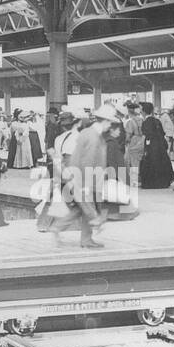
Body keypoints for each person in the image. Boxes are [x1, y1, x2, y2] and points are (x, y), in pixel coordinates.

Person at [69, 103, 114, 248]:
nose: (110, 126)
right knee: (90, 210)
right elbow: (87, 160)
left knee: (86, 208)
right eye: (110, 122)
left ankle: (86, 239)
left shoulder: (87, 132)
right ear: (105, 121)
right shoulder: (94, 137)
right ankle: (96, 224)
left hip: (79, 175)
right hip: (85, 178)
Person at [138, 101, 174, 189]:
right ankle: (162, 182)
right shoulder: (157, 120)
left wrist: (146, 148)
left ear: (144, 111)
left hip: (151, 146)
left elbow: (147, 136)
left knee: (151, 162)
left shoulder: (146, 122)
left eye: (141, 110)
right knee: (160, 163)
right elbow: (162, 132)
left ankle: (151, 183)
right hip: (160, 145)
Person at [123, 102, 144, 186]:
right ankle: (141, 179)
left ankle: (134, 181)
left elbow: (128, 136)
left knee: (131, 161)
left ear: (128, 111)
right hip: (142, 139)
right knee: (140, 159)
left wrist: (125, 142)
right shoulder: (142, 119)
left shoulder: (130, 122)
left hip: (134, 140)